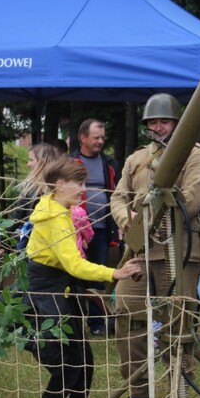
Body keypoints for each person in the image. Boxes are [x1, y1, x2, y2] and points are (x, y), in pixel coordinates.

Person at [22, 157, 143, 398]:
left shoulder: (62, 210)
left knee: (85, 359)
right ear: (60, 184)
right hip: (45, 294)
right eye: (79, 183)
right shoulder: (54, 218)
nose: (84, 189)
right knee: (68, 362)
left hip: (64, 290)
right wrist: (117, 272)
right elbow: (74, 264)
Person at [108, 93, 200, 398]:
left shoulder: (196, 157)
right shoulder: (136, 159)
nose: (157, 127)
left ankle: (178, 396)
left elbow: (190, 202)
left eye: (163, 121)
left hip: (179, 251)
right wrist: (128, 220)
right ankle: (139, 397)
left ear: (177, 122)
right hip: (139, 253)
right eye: (152, 122)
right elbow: (117, 198)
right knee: (127, 316)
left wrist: (156, 212)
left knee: (178, 325)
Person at [70, 119, 119, 335]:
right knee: (73, 277)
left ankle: (98, 323)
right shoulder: (70, 162)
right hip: (74, 230)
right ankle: (71, 322)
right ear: (83, 138)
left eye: (102, 137)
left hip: (100, 229)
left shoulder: (107, 163)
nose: (100, 141)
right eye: (96, 137)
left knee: (98, 276)